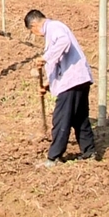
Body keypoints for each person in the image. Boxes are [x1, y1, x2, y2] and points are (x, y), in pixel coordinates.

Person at [24, 9, 97, 167]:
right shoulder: (54, 30)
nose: (36, 35)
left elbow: (64, 42)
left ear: (34, 26)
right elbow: (61, 64)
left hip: (72, 81)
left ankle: (54, 157)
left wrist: (45, 58)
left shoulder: (54, 27)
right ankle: (89, 151)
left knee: (61, 119)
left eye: (32, 32)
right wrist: (48, 86)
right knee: (80, 118)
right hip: (79, 79)